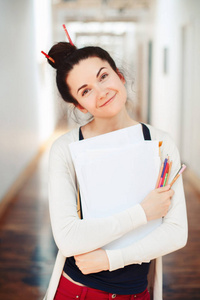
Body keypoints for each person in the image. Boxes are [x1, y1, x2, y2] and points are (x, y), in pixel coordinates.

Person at [42, 33, 188, 300]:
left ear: (119, 75)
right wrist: (144, 212)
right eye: (85, 91)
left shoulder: (160, 143)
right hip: (77, 292)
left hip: (136, 293)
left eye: (103, 76)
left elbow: (176, 233)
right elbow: (68, 239)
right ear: (77, 104)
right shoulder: (66, 149)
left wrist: (111, 259)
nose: (101, 92)